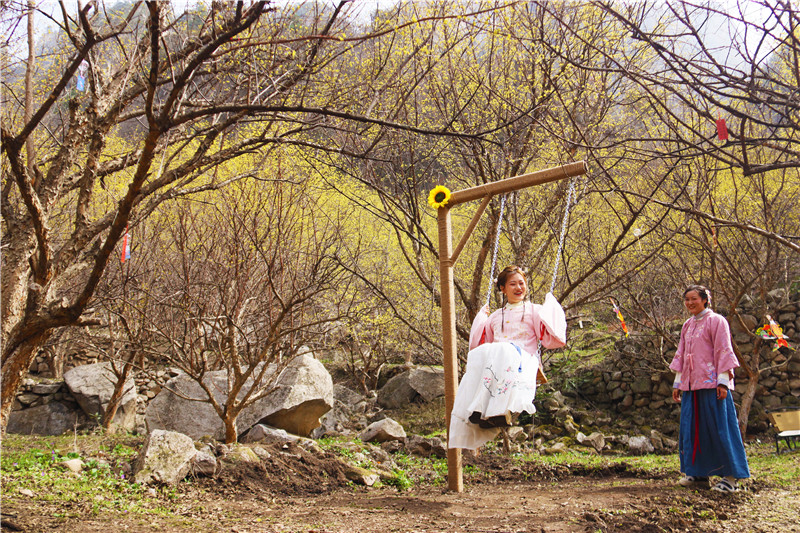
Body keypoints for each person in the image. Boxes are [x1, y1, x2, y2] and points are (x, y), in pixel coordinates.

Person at [448, 265, 567, 450]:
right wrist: (481, 320)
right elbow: (481, 346)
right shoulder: (495, 317)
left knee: (503, 350)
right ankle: (482, 410)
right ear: (503, 289)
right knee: (482, 353)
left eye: (522, 283)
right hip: (501, 361)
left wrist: (550, 308)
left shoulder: (535, 311)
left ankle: (498, 409)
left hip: (524, 360)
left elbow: (550, 338)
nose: (519, 288)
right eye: (513, 284)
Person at [670, 285, 750, 493]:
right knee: (692, 429)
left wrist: (723, 382)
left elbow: (724, 350)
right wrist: (678, 383)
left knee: (720, 428)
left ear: (705, 300)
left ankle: (730, 477)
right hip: (691, 385)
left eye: (694, 298)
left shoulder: (717, 321)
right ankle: (698, 473)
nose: (689, 303)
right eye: (686, 299)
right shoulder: (687, 325)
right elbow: (681, 353)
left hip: (713, 384)